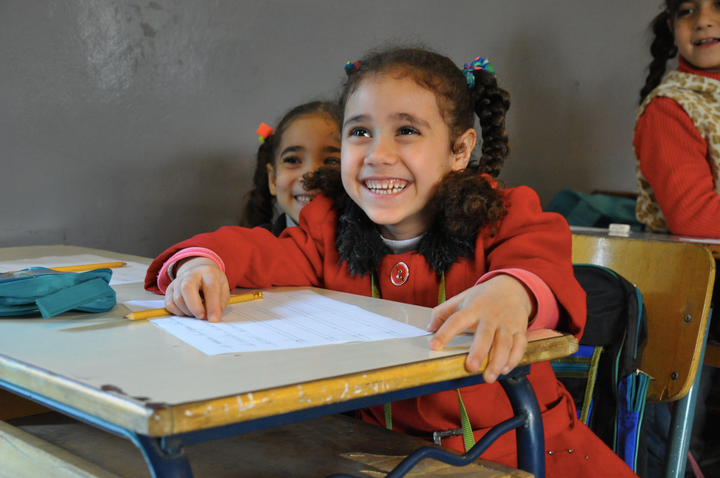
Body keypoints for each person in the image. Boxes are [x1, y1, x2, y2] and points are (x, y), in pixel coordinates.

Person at [145, 47, 635, 476]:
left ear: (460, 149)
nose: (378, 154)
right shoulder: (328, 226)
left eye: (405, 131)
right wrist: (201, 264)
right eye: (360, 132)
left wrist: (512, 291)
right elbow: (259, 249)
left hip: (522, 450)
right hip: (380, 456)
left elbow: (540, 255)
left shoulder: (499, 215)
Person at [635, 1, 720, 476]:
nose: (703, 20)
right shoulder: (672, 107)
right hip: (689, 286)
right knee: (670, 427)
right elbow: (696, 217)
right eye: (687, 10)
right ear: (671, 27)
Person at [238, 101, 341, 235]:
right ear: (273, 179)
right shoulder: (250, 249)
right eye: (292, 160)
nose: (309, 175)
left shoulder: (374, 248)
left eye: (332, 161)